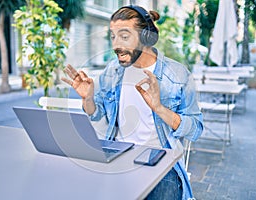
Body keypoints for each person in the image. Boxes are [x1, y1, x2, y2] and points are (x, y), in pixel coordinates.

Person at [62, 5, 203, 200]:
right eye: (113, 36)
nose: (116, 45)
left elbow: (195, 129)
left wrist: (159, 108)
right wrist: (89, 99)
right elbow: (97, 113)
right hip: (118, 154)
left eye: (124, 36)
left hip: (160, 158)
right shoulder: (113, 71)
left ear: (146, 37)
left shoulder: (178, 75)